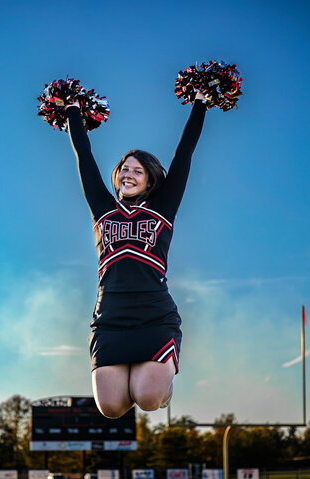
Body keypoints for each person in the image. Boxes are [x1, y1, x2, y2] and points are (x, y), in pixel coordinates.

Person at [64, 92, 207, 418]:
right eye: (124, 169)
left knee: (147, 398)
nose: (128, 174)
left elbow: (184, 153)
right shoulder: (102, 208)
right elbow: (84, 156)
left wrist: (200, 101)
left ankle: (162, 386)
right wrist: (72, 108)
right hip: (110, 318)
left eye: (138, 171)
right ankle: (140, 378)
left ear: (151, 179)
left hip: (154, 316)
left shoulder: (163, 207)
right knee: (112, 408)